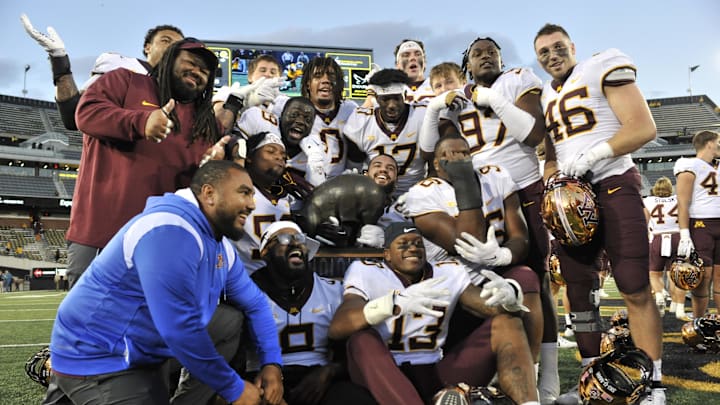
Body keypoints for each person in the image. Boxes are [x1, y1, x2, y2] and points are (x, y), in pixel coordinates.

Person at [44, 160, 283, 405]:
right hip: (102, 355)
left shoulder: (217, 243)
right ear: (209, 194)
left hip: (143, 343)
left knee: (229, 322)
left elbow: (255, 303)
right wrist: (234, 388)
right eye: (244, 193)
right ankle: (72, 383)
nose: (252, 205)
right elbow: (179, 327)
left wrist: (272, 363)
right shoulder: (170, 230)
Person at [533, 24, 663, 404]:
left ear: (572, 47)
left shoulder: (600, 66)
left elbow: (643, 127)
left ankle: (654, 385)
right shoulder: (544, 94)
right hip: (572, 200)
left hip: (613, 181)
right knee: (579, 291)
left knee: (634, 284)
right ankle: (592, 380)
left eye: (558, 47)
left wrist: (593, 156)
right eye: (543, 52)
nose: (552, 55)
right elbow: (550, 154)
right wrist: (551, 189)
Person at [60, 38, 236, 289]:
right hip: (101, 232)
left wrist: (210, 169)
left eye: (205, 71)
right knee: (90, 321)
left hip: (161, 243)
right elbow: (86, 114)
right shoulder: (126, 80)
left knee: (150, 324)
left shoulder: (206, 121)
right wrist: (141, 123)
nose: (198, 72)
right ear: (169, 60)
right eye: (192, 63)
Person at [328, 222, 539, 405]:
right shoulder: (366, 271)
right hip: (384, 374)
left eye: (418, 244)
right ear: (387, 254)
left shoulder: (448, 271)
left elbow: (486, 304)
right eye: (403, 244)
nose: (412, 248)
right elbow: (339, 327)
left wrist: (509, 298)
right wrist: (391, 304)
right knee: (361, 339)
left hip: (435, 371)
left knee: (508, 323)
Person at [403, 134, 543, 382]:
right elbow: (468, 239)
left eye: (463, 153)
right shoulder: (423, 193)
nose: (456, 158)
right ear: (436, 164)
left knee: (527, 278)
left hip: (493, 275)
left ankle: (531, 374)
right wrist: (465, 179)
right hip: (451, 289)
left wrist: (504, 254)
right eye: (447, 154)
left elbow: (521, 236)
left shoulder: (496, 175)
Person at [246, 221, 377, 405]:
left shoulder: (333, 290)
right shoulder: (245, 294)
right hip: (264, 380)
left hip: (319, 377)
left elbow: (359, 349)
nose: (296, 243)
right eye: (284, 239)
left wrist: (329, 372)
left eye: (300, 239)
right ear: (266, 252)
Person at [21, 14, 183, 130]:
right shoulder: (120, 66)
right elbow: (73, 115)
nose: (172, 47)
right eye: (165, 41)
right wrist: (59, 60)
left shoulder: (183, 91)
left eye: (178, 46)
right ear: (148, 47)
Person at [344, 68, 427, 196]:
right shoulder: (361, 121)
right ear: (376, 98)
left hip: (416, 193)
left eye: (396, 99)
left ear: (404, 96)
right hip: (374, 194)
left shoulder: (422, 115)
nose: (392, 105)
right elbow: (354, 167)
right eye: (386, 99)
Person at [674, 130, 720, 318]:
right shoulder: (689, 164)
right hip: (701, 225)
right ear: (709, 143)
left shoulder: (715, 167)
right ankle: (699, 323)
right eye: (718, 142)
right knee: (703, 277)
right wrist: (684, 234)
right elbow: (683, 203)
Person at [643, 176, 688, 320]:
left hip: (657, 238)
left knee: (654, 274)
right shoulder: (677, 199)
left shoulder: (648, 201)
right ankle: (678, 307)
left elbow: (645, 224)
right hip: (677, 237)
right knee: (676, 275)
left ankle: (659, 294)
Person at [393, 39, 435, 104]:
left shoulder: (439, 85)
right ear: (397, 65)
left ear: (425, 62)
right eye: (406, 55)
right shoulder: (390, 91)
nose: (412, 58)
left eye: (418, 54)